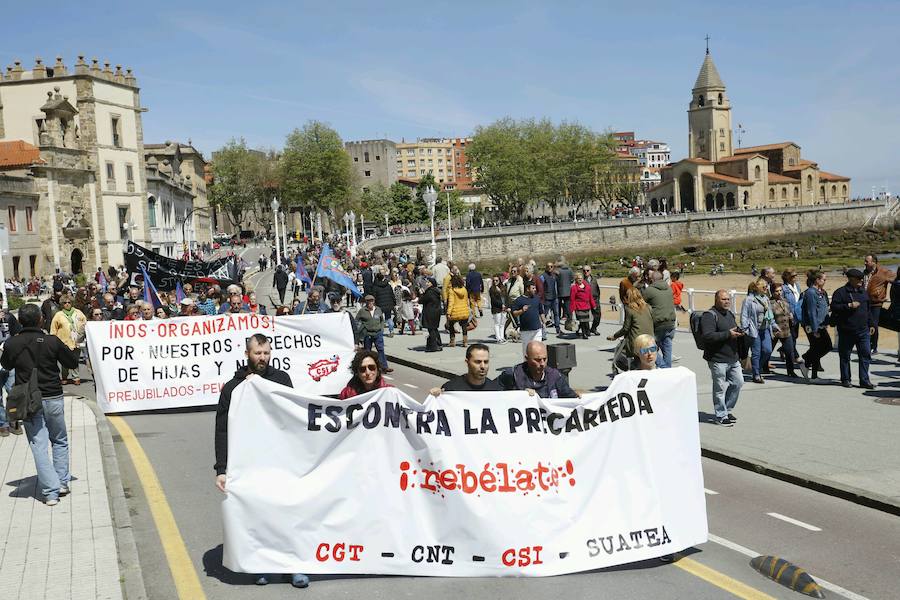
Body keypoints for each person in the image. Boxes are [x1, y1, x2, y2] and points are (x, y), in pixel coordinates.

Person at [213, 334, 309, 588]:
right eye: (258, 353)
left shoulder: (282, 380)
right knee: (258, 516)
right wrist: (221, 469)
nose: (263, 358)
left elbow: (295, 418)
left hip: (282, 461)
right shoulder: (233, 387)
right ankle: (262, 565)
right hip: (249, 463)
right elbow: (222, 429)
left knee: (288, 512)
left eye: (266, 353)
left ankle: (293, 566)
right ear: (247, 354)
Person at [1, 304, 80, 504]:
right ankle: (61, 482)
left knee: (38, 444)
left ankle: (50, 491)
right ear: (41, 320)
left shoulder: (12, 344)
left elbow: (6, 365)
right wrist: (74, 347)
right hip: (53, 396)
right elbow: (71, 363)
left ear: (19, 321)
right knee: (59, 439)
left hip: (29, 400)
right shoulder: (52, 341)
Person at [700, 290, 744, 427]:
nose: (727, 302)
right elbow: (707, 336)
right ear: (716, 300)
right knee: (719, 388)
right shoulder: (709, 315)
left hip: (732, 357)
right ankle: (721, 415)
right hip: (717, 358)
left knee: (738, 383)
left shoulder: (729, 314)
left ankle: (727, 409)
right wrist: (728, 334)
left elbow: (731, 332)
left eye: (728, 299)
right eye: (723, 299)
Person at [830, 268, 875, 389]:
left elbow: (868, 310)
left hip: (863, 330)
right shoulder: (840, 292)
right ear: (851, 279)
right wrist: (848, 305)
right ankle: (846, 379)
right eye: (859, 279)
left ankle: (864, 380)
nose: (861, 281)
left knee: (865, 355)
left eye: (862, 279)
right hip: (846, 330)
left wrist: (871, 324)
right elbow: (834, 307)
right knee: (845, 356)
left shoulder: (863, 292)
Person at [498, 340, 578, 398]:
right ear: (527, 359)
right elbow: (492, 393)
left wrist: (578, 397)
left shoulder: (554, 376)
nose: (542, 364)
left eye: (545, 359)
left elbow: (570, 396)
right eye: (537, 360)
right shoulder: (513, 375)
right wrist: (519, 395)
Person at [607, 287, 654, 368]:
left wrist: (614, 336)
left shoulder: (629, 309)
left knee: (623, 351)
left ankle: (632, 370)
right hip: (649, 339)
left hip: (636, 341)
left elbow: (626, 328)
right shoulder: (648, 307)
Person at [641, 271, 677, 368]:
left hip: (657, 324)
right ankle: (667, 370)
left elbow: (641, 304)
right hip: (670, 323)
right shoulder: (669, 289)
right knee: (667, 349)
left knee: (650, 348)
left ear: (652, 279)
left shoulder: (649, 290)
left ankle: (663, 367)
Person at [49, 294, 86, 385]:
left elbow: (85, 323)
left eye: (69, 302)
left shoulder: (78, 313)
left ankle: (76, 377)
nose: (67, 304)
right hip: (63, 341)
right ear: (62, 304)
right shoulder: (58, 315)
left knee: (75, 359)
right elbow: (53, 329)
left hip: (76, 341)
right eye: (65, 303)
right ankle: (64, 377)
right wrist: (53, 340)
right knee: (64, 361)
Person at [801, 270, 831, 379]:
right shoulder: (811, 293)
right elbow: (811, 312)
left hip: (821, 325)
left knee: (826, 346)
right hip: (814, 326)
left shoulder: (821, 292)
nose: (825, 281)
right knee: (817, 347)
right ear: (817, 280)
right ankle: (812, 373)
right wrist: (815, 329)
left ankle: (807, 360)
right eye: (824, 279)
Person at [436, 344, 502, 392]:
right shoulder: (451, 388)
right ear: (467, 362)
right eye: (478, 362)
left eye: (486, 362)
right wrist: (435, 396)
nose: (483, 366)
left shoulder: (496, 390)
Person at [863, 254, 894, 355]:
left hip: (876, 303)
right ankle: (867, 345)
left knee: (874, 325)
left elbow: (896, 280)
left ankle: (873, 347)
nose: (865, 263)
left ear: (874, 262)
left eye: (867, 261)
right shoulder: (864, 272)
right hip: (864, 303)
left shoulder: (883, 272)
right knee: (864, 325)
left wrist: (891, 295)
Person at [0, 302, 22, 436]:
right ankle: (3, 423)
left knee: (13, 391)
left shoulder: (9, 318)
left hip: (9, 359)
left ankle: (14, 420)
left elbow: (17, 335)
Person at [356, 295, 392, 373]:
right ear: (366, 302)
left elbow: (382, 320)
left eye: (371, 301)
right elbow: (356, 321)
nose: (370, 303)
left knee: (381, 350)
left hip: (378, 333)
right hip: (367, 334)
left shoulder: (378, 309)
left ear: (374, 301)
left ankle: (384, 367)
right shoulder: (362, 311)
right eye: (368, 301)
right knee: (367, 352)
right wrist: (361, 330)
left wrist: (381, 329)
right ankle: (367, 366)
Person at [770, 286, 801, 378]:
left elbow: (788, 311)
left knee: (790, 351)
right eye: (776, 291)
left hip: (786, 330)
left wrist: (790, 316)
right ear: (772, 292)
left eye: (780, 291)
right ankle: (762, 367)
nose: (779, 293)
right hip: (775, 331)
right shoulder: (769, 302)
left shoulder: (785, 301)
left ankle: (790, 371)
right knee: (768, 350)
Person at [509, 280, 545, 354]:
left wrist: (544, 322)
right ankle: (526, 364)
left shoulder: (537, 298)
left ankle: (536, 365)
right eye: (533, 288)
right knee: (527, 350)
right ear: (527, 289)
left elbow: (541, 311)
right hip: (526, 330)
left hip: (537, 329)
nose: (535, 290)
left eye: (535, 288)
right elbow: (514, 313)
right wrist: (522, 310)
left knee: (537, 349)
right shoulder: (519, 300)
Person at [445, 274, 473, 348]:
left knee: (451, 326)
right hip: (464, 310)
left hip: (455, 311)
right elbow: (467, 300)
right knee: (464, 327)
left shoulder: (452, 291)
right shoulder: (464, 289)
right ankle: (465, 342)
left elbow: (451, 302)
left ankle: (452, 342)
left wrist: (448, 313)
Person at [569, 272, 596, 340]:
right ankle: (584, 334)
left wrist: (593, 305)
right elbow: (572, 299)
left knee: (585, 320)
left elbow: (590, 297)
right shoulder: (574, 288)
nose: (580, 280)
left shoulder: (587, 286)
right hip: (579, 307)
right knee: (582, 321)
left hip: (587, 306)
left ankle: (579, 330)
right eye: (578, 279)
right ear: (576, 279)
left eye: (581, 278)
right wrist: (571, 309)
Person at [420, 278, 443, 352]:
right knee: (435, 329)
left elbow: (422, 300)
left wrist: (422, 293)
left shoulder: (429, 292)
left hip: (430, 312)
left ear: (432, 283)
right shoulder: (436, 291)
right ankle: (439, 344)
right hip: (436, 311)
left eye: (428, 282)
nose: (427, 283)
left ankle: (434, 346)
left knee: (431, 329)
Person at [372, 271, 396, 337]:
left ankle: (380, 331)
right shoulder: (388, 285)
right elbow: (392, 295)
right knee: (389, 318)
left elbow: (374, 296)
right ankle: (391, 331)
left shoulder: (375, 286)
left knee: (379, 318)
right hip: (388, 304)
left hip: (379, 304)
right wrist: (394, 303)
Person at [540, 262, 561, 336]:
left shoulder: (554, 275)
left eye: (551, 266)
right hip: (547, 298)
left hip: (554, 297)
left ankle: (558, 329)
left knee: (556, 314)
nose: (550, 268)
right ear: (546, 267)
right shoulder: (543, 276)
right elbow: (540, 286)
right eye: (548, 266)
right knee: (544, 314)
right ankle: (542, 330)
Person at [582, 265, 602, 335]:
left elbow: (597, 289)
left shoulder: (594, 279)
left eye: (587, 270)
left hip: (595, 300)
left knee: (598, 316)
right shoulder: (581, 280)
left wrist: (598, 298)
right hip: (585, 301)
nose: (586, 272)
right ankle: (586, 331)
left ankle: (593, 328)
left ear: (590, 271)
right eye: (584, 271)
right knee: (585, 317)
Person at [489, 274, 508, 344]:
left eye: (497, 280)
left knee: (502, 324)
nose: (495, 282)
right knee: (497, 323)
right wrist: (501, 305)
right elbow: (493, 300)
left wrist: (507, 306)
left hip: (504, 308)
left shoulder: (503, 287)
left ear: (499, 280)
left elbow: (506, 297)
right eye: (494, 280)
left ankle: (502, 337)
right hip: (496, 308)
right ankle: (498, 338)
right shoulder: (492, 289)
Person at [557, 261, 574, 325]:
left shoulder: (558, 271)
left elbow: (556, 280)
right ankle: (570, 319)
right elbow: (572, 279)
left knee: (558, 306)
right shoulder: (570, 270)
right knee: (568, 306)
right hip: (568, 291)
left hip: (559, 291)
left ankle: (557, 320)